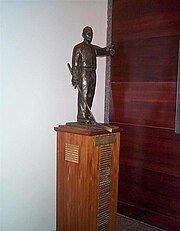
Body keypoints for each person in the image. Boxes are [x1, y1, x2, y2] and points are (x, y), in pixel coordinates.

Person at [71, 26, 115, 123]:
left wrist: (109, 50)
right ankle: (82, 116)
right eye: (87, 33)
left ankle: (87, 114)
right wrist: (75, 77)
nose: (90, 35)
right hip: (83, 73)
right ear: (83, 34)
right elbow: (75, 64)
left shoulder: (93, 48)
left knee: (91, 94)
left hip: (92, 73)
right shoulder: (78, 48)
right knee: (84, 94)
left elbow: (103, 51)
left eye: (91, 34)